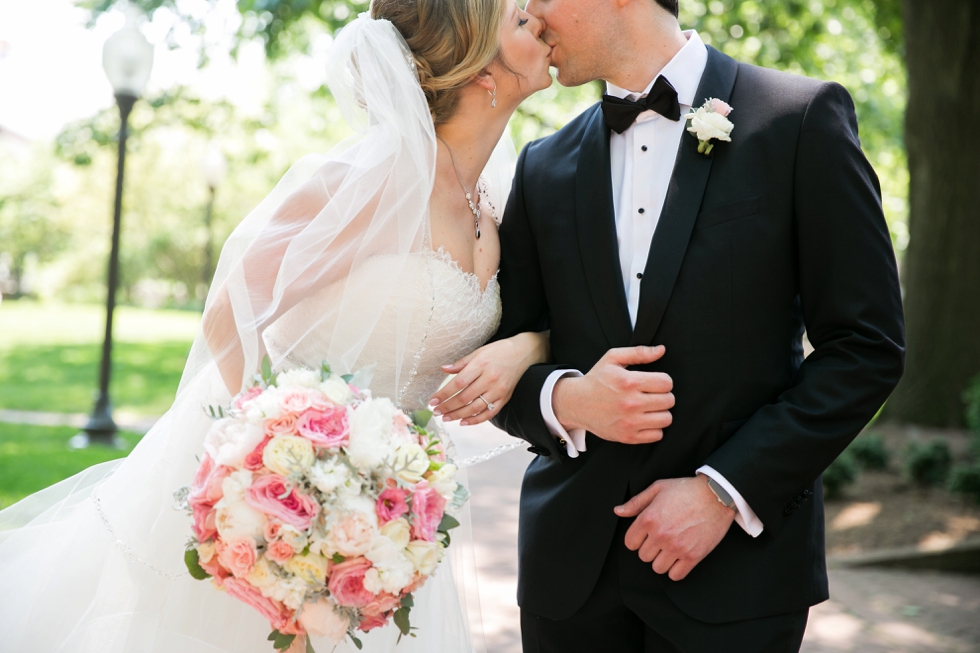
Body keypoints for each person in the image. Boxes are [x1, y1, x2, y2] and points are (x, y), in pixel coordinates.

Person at [0, 4, 555, 652]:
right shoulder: (373, 183)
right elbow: (230, 308)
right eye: (519, 19)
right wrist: (276, 478)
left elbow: (524, 323)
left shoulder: (494, 198)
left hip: (385, 522)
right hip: (286, 501)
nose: (541, 18)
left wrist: (528, 347)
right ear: (480, 71)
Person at [445, 0, 906, 651]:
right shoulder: (544, 166)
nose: (531, 13)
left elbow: (867, 347)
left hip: (737, 582)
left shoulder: (798, 119)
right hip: (568, 584)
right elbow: (501, 362)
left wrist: (723, 492)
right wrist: (567, 398)